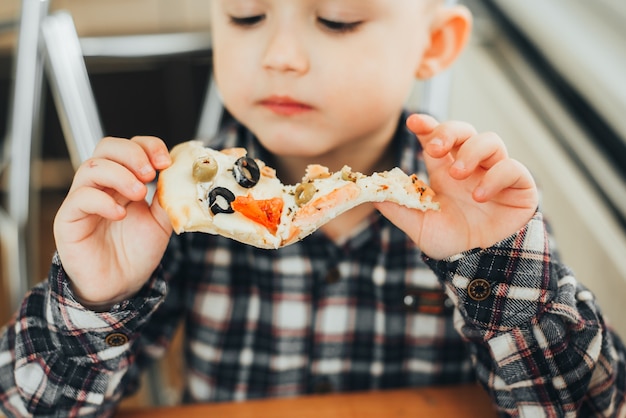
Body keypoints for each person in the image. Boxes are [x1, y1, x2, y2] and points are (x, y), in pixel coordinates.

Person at [1, 0, 625, 416]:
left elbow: (590, 404)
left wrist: (500, 267)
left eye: (336, 19)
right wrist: (94, 297)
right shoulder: (179, 212)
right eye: (246, 15)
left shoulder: (476, 211)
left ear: (434, 43)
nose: (281, 56)